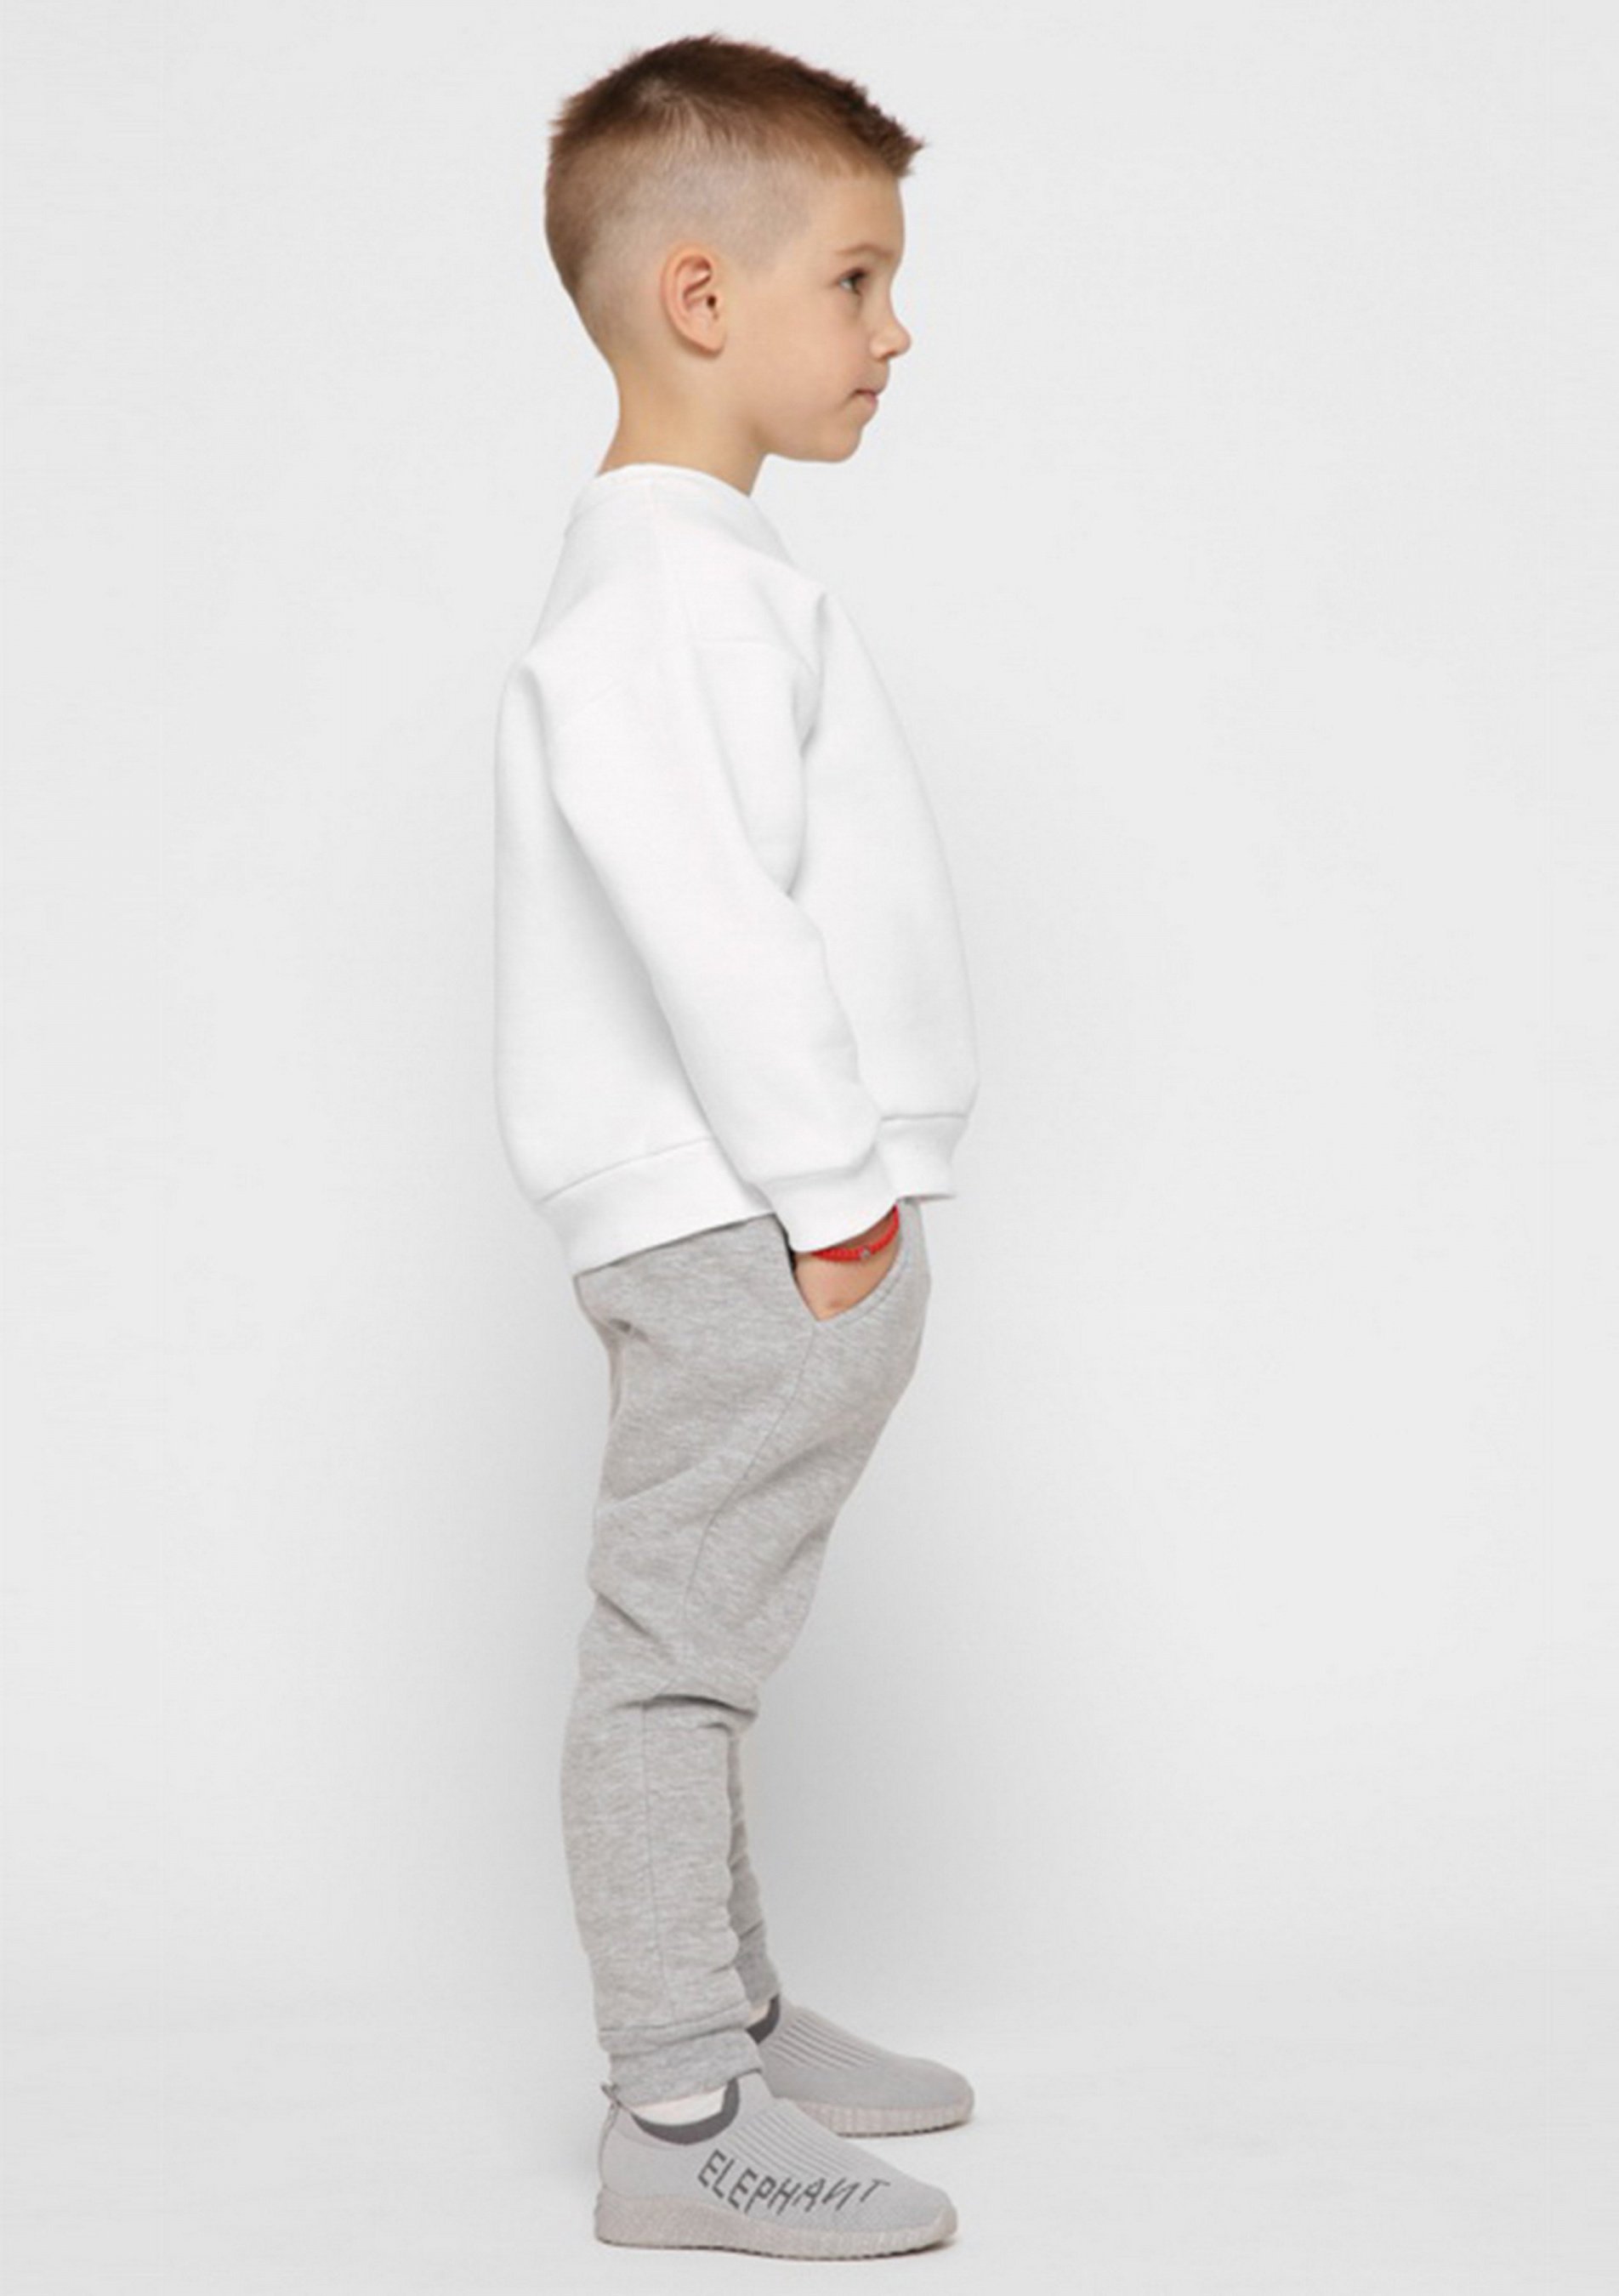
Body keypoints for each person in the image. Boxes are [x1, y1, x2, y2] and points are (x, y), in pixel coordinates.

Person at [492, 32, 982, 2260]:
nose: (895, 330)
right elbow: (711, 912)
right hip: (750, 1212)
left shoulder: (714, 572)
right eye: (857, 280)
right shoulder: (660, 591)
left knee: (716, 1641)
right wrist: (837, 1190)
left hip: (767, 1205)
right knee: (671, 1658)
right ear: (702, 296)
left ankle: (737, 2017)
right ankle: (680, 2107)